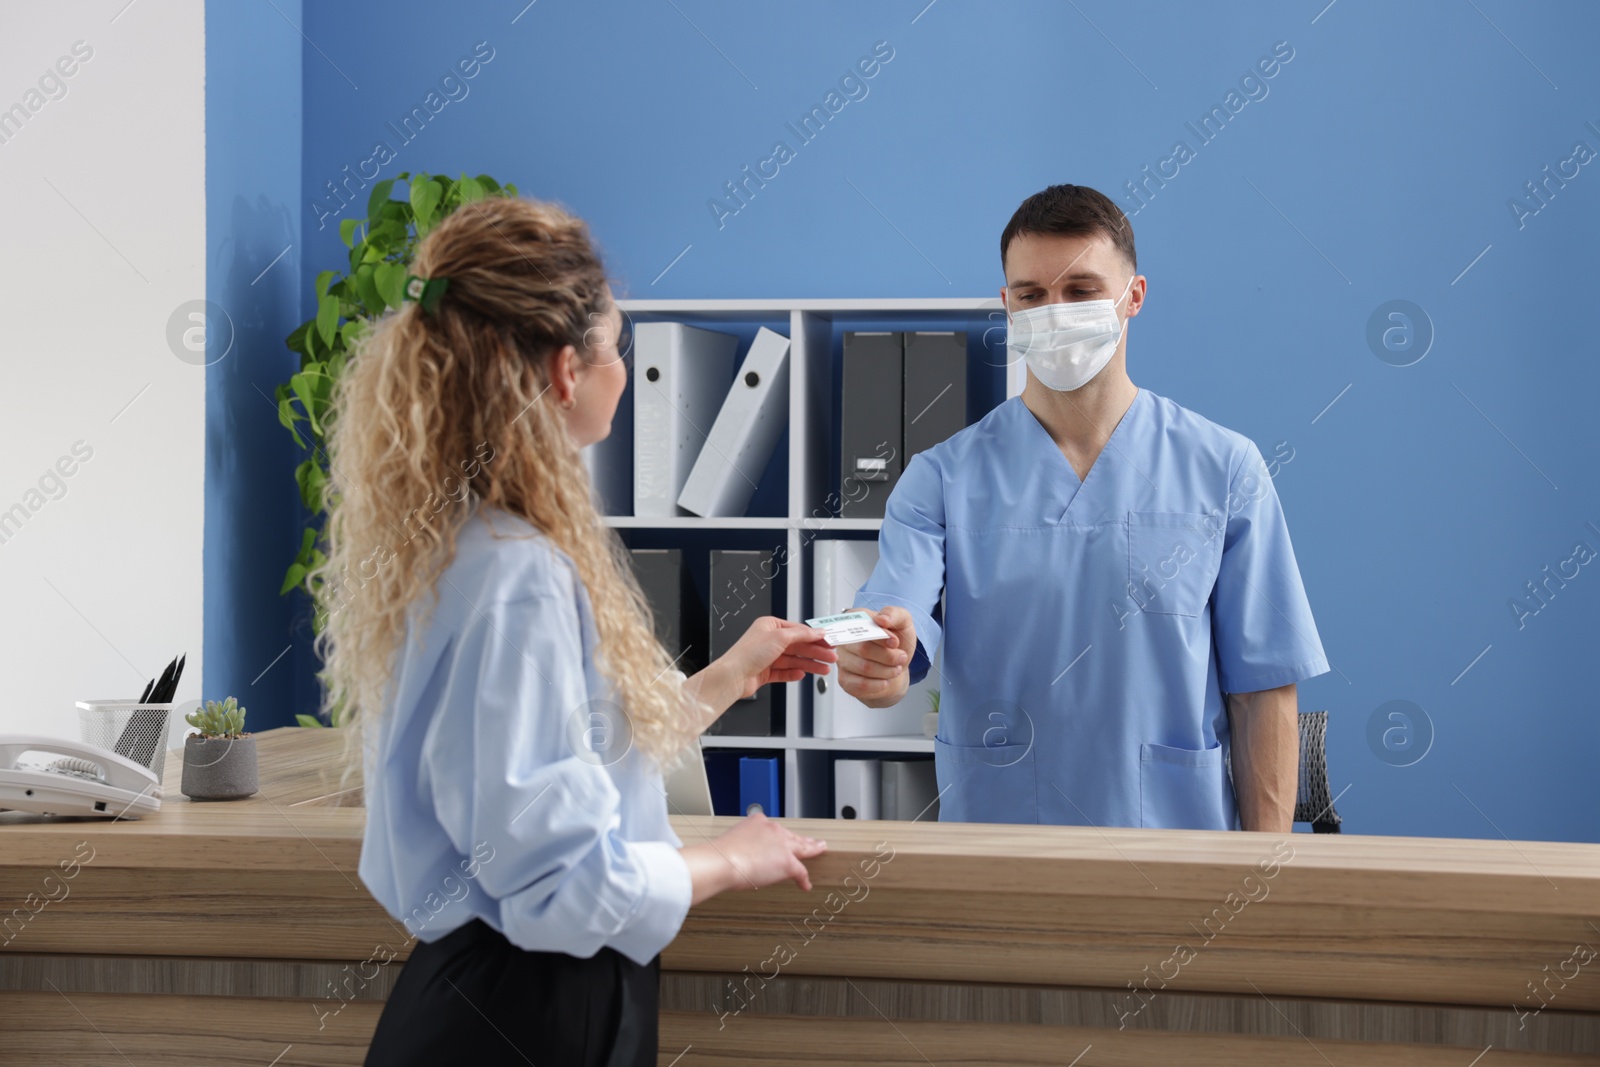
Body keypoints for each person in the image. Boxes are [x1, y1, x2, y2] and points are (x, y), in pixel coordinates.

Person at [312, 195, 836, 1066]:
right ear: (563, 371)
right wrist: (731, 861)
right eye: (616, 351)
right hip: (529, 1014)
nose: (625, 376)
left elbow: (564, 746)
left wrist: (729, 675)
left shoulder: (456, 543)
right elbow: (566, 883)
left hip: (485, 1002)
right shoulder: (520, 571)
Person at [839, 184, 1329, 833]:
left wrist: (1266, 874)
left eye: (1081, 290)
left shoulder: (1225, 469)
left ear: (1135, 296)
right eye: (1033, 294)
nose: (1056, 312)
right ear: (1007, 306)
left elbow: (1264, 688)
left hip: (1176, 844)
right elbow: (893, 622)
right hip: (1000, 840)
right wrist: (879, 660)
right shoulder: (942, 478)